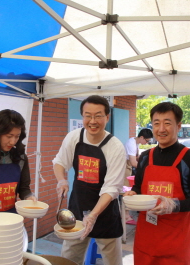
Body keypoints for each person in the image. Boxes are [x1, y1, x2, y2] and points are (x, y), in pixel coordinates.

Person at [124, 102, 190, 265]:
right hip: (145, 239)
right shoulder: (145, 157)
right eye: (156, 123)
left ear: (178, 126)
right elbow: (138, 187)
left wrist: (174, 205)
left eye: (167, 123)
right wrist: (133, 193)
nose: (161, 129)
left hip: (175, 243)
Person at [53, 95, 125, 265]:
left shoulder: (115, 147)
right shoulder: (74, 137)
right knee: (68, 259)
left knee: (111, 261)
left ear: (107, 117)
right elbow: (59, 162)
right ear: (82, 117)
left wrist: (93, 216)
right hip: (77, 210)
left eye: (98, 115)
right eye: (88, 115)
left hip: (105, 213)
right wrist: (61, 180)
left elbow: (112, 188)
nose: (93, 121)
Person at [123, 128, 153, 224]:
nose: (147, 143)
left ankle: (126, 214)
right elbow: (133, 162)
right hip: (124, 167)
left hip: (127, 166)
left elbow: (136, 158)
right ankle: (126, 216)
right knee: (126, 191)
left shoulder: (135, 143)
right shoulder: (131, 144)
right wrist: (145, 170)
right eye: (147, 141)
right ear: (141, 137)